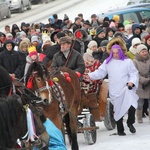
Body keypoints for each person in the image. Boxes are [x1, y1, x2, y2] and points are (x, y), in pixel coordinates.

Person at [85, 43, 139, 136]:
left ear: (121, 52)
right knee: (118, 110)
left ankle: (130, 122)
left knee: (132, 105)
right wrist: (89, 76)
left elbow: (134, 73)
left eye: (117, 53)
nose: (115, 55)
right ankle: (120, 129)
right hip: (115, 89)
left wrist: (131, 82)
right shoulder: (108, 62)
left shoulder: (127, 62)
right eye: (113, 53)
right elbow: (100, 72)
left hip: (126, 88)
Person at [133, 44, 150, 123]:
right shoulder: (135, 61)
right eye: (143, 51)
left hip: (149, 82)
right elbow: (135, 73)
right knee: (140, 102)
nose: (145, 53)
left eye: (145, 51)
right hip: (140, 84)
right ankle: (139, 116)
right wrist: (143, 79)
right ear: (139, 52)